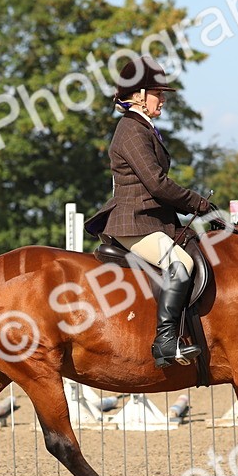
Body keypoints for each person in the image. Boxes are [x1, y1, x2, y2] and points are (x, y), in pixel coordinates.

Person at [85, 56, 212, 368]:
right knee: (179, 264)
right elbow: (156, 184)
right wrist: (198, 203)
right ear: (140, 95)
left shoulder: (144, 127)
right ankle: (165, 341)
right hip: (134, 223)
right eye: (159, 93)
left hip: (153, 222)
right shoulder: (130, 129)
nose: (163, 99)